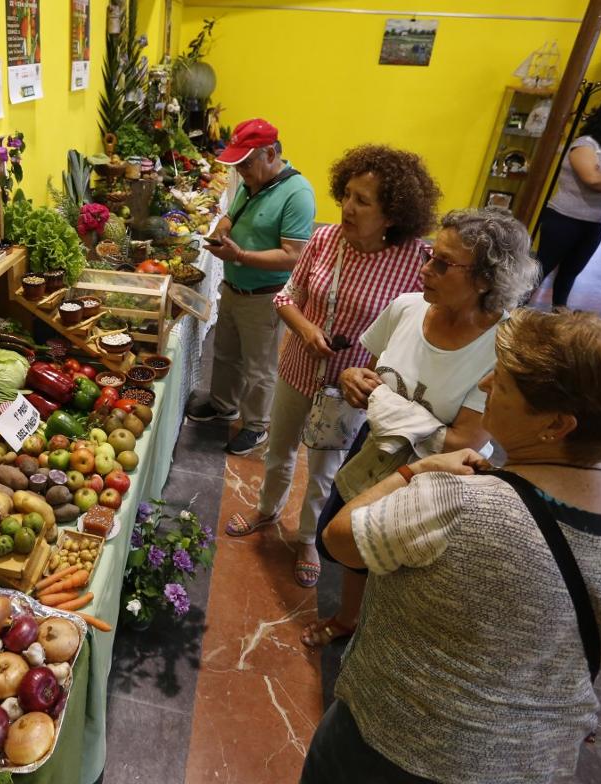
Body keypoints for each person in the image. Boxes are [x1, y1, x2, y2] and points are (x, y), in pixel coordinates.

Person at [301, 309, 601, 784]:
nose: (484, 384)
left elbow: (340, 540)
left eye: (502, 384)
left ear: (556, 425)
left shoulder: (457, 500)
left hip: (395, 742)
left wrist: (413, 471)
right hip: (529, 761)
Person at [302, 207, 538, 647]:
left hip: (443, 479)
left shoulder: (503, 346)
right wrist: (352, 378)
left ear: (486, 279)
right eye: (430, 255)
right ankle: (349, 617)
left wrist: (384, 404)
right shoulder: (406, 308)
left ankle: (381, 640)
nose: (425, 269)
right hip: (376, 450)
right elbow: (374, 381)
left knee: (403, 569)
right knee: (355, 545)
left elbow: (463, 442)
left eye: (443, 264)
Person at [222, 145, 440, 590]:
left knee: (326, 468)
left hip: (351, 389)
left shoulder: (415, 262)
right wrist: (306, 330)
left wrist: (378, 373)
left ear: (392, 214)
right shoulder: (324, 241)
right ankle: (267, 509)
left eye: (363, 201)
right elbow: (287, 296)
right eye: (347, 195)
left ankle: (308, 538)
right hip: (299, 368)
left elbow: (416, 329)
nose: (348, 207)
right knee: (279, 450)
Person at [187, 118, 317, 455]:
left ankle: (257, 425)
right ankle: (223, 404)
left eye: (245, 164)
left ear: (270, 154)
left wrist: (241, 255)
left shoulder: (298, 194)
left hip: (264, 296)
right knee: (226, 353)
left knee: (259, 367)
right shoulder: (253, 181)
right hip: (234, 287)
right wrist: (222, 228)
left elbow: (293, 256)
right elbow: (233, 214)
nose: (240, 172)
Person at [535, 95, 601, 308]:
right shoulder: (585, 145)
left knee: (571, 272)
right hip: (565, 217)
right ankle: (511, 312)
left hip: (597, 222)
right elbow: (591, 178)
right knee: (541, 269)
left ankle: (559, 314)